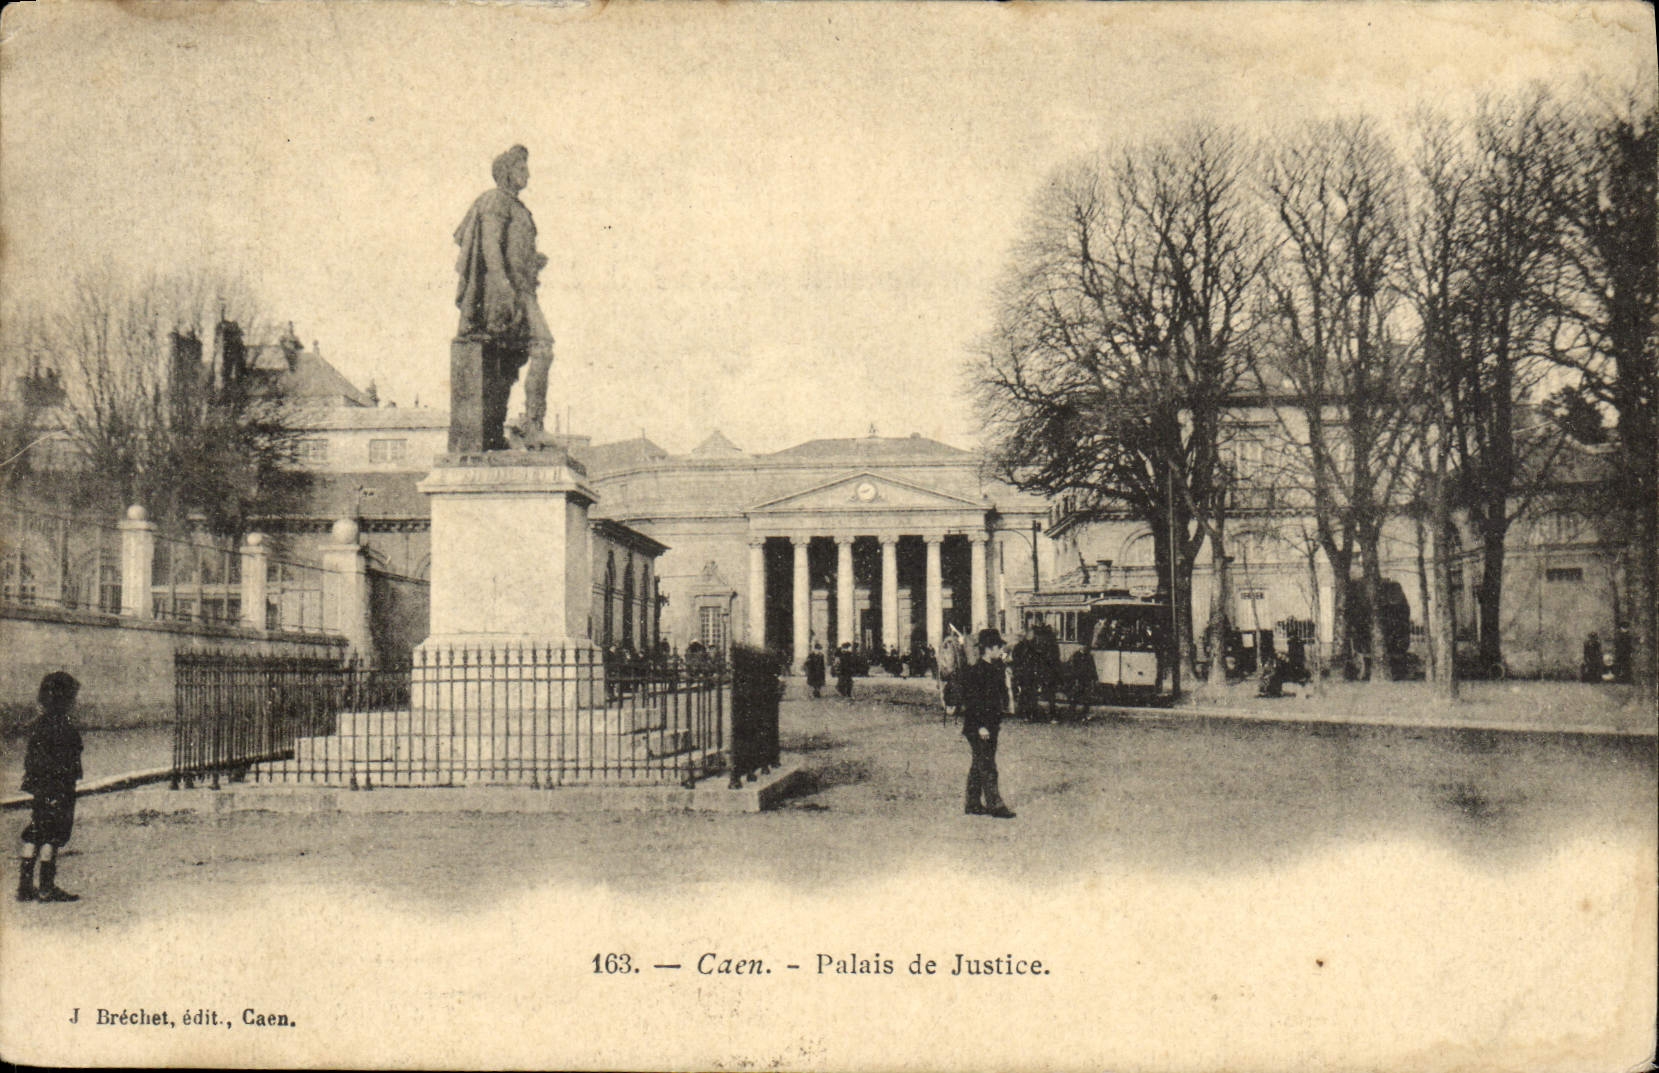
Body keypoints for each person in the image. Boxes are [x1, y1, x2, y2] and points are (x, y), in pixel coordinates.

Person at [454, 144, 556, 447]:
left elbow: (513, 247)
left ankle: (499, 433)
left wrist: (533, 259)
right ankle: (532, 425)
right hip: (506, 292)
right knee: (541, 346)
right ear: (506, 172)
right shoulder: (495, 201)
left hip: (523, 288)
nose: (527, 174)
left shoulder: (517, 207)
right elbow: (490, 246)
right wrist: (501, 286)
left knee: (508, 362)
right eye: (521, 168)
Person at [18, 672, 84, 903]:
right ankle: (47, 887)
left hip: (39, 787)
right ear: (65, 700)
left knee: (35, 830)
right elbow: (71, 761)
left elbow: (31, 761)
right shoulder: (65, 728)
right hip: (59, 788)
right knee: (53, 835)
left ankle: (24, 886)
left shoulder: (38, 725)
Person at [959, 629, 1015, 819]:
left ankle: (973, 803)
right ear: (989, 648)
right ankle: (995, 805)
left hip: (989, 725)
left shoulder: (994, 668)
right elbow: (974, 702)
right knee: (988, 765)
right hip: (979, 727)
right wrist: (981, 726)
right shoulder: (978, 671)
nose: (1001, 650)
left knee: (978, 763)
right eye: (999, 647)